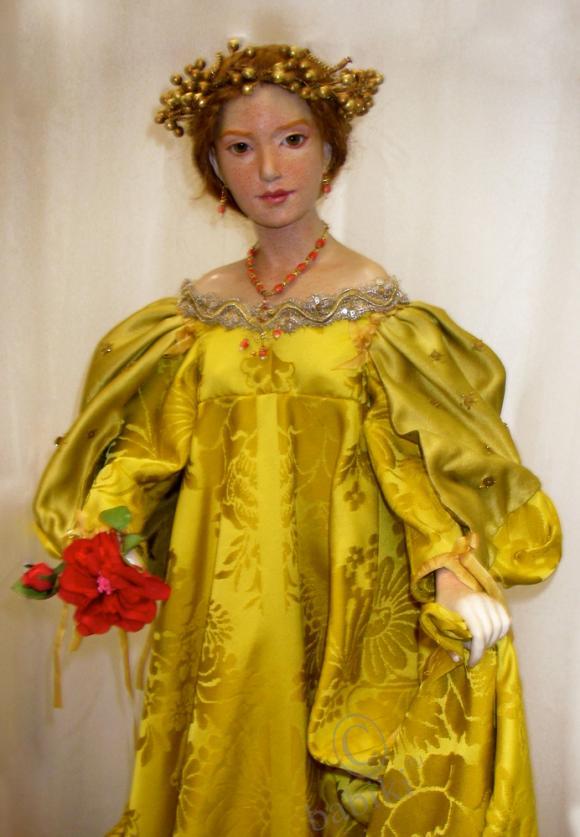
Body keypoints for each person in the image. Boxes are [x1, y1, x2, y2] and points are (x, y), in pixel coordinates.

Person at [32, 40, 561, 836]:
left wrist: (451, 571)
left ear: (329, 153)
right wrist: (110, 537)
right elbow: (147, 447)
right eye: (241, 147)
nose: (270, 168)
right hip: (226, 608)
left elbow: (417, 462)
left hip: (350, 590)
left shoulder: (376, 313)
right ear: (214, 166)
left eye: (292, 139)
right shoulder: (193, 318)